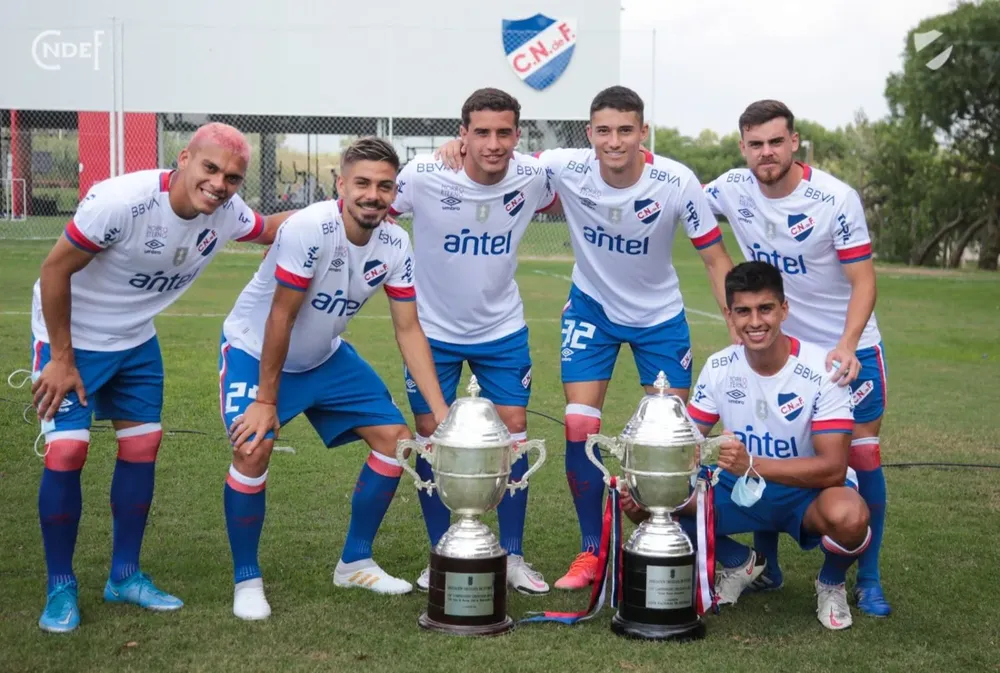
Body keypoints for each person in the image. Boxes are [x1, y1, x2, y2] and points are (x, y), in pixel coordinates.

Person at [436, 85, 736, 590]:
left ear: (643, 133)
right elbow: (500, 156)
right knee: (579, 425)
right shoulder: (564, 165)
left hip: (660, 317)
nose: (614, 141)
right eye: (603, 131)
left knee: (670, 442)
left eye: (625, 130)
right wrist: (454, 146)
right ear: (589, 133)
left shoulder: (676, 181)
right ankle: (591, 551)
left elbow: (714, 257)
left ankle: (694, 547)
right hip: (591, 311)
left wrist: (734, 322)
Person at [26, 122, 294, 634]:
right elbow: (54, 271)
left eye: (233, 177)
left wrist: (346, 205)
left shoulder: (227, 212)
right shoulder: (121, 202)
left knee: (143, 445)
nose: (219, 184)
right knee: (66, 451)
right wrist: (61, 357)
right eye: (210, 168)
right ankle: (60, 584)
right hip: (71, 339)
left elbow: (267, 227)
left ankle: (124, 575)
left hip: (135, 341)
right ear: (184, 157)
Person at [218, 136, 450, 621]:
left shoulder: (395, 242)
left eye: (385, 186)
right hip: (256, 351)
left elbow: (408, 329)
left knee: (396, 440)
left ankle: (355, 561)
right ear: (340, 184)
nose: (373, 195)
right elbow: (280, 318)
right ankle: (247, 580)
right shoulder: (310, 228)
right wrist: (266, 399)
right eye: (362, 183)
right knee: (252, 446)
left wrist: (443, 416)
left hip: (325, 357)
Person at [702, 100, 890, 616]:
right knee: (768, 435)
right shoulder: (729, 188)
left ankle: (866, 577)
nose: (766, 152)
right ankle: (764, 563)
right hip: (773, 341)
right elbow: (674, 199)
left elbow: (864, 278)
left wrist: (848, 343)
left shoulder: (834, 197)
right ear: (743, 147)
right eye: (756, 143)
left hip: (842, 349)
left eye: (776, 142)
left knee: (859, 457)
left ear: (794, 143)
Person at [623, 261, 872, 630]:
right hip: (737, 489)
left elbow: (834, 468)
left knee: (850, 516)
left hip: (805, 494)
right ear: (730, 315)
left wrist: (751, 462)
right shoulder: (720, 367)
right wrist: (648, 473)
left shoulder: (823, 371)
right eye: (743, 311)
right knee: (648, 501)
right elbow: (691, 440)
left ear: (784, 309)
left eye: (765, 309)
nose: (755, 322)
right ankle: (743, 563)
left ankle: (831, 583)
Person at [388, 88, 557, 595]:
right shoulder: (422, 175)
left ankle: (512, 555)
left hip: (502, 329)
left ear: (517, 135)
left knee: (513, 435)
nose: (493, 142)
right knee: (431, 435)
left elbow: (588, 176)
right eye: (480, 132)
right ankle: (442, 551)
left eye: (504, 132)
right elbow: (374, 210)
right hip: (431, 332)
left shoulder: (532, 176)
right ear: (462, 135)